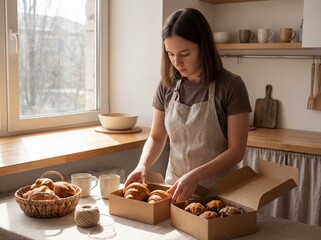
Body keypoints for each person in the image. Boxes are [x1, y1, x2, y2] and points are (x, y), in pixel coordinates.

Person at [124, 8, 252, 203]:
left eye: (185, 53)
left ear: (204, 47)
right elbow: (157, 137)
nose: (177, 62)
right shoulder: (166, 85)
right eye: (170, 54)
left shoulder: (231, 86)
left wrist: (195, 176)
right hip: (173, 192)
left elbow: (236, 151)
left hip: (219, 197)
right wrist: (142, 165)